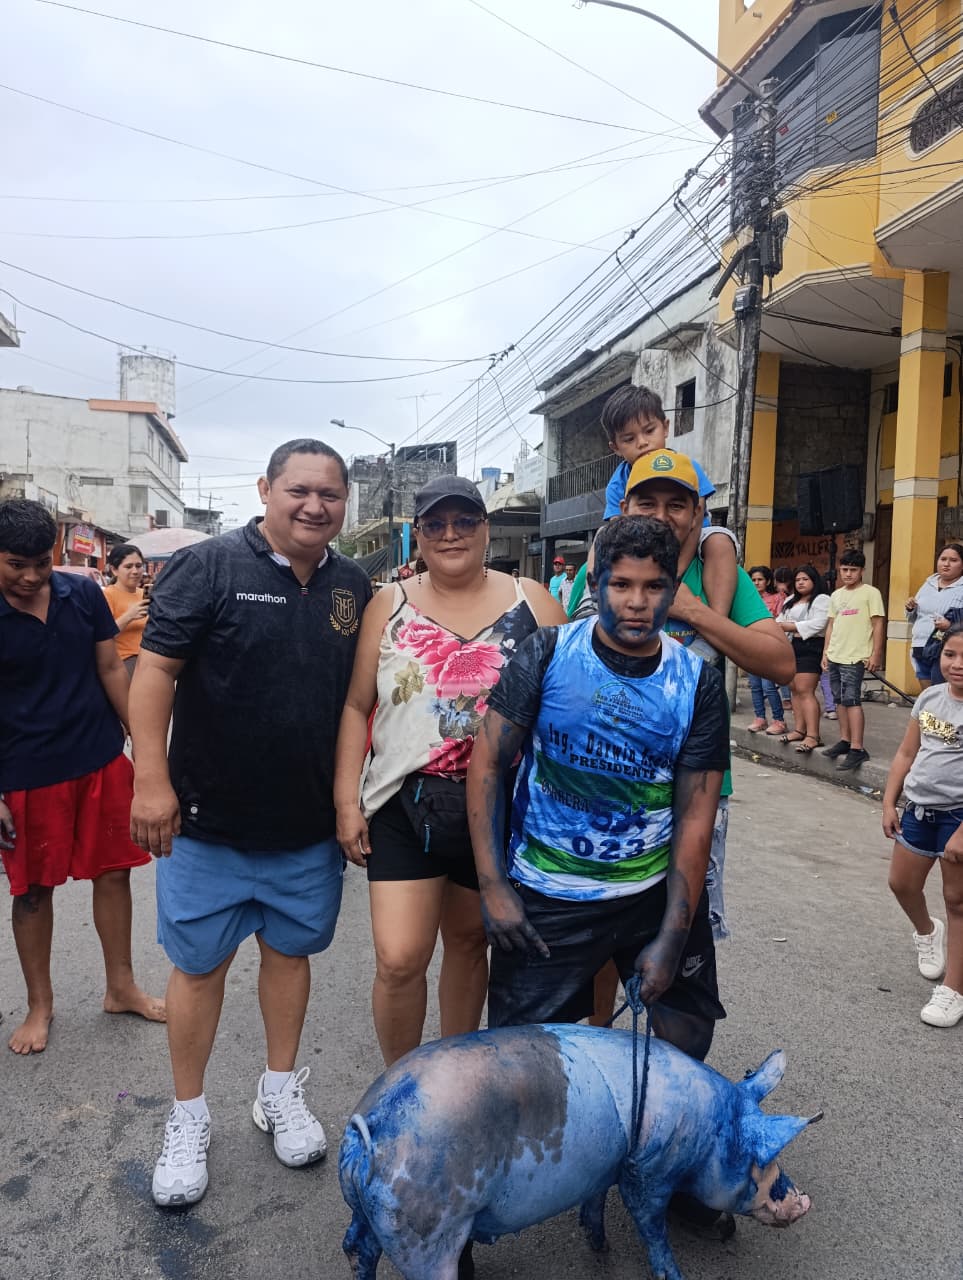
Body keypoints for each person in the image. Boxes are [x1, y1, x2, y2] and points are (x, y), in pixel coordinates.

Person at [129, 439, 370, 1208]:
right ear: (265, 489)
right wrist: (150, 779)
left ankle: (277, 1092)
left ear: (344, 503)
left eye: (329, 494)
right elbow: (154, 672)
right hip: (206, 824)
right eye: (298, 490)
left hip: (305, 828)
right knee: (199, 968)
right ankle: (188, 1116)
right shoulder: (207, 566)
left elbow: (360, 700)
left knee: (289, 957)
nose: (314, 506)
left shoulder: (352, 584)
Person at [467, 515, 729, 1062]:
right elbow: (487, 764)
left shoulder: (697, 682)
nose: (637, 602)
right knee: (526, 1061)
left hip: (649, 890)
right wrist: (493, 887)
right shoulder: (547, 653)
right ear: (595, 585)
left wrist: (672, 935)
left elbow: (695, 815)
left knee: (687, 1039)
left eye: (654, 586)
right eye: (622, 584)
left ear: (673, 591)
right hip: (549, 891)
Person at [334, 477, 565, 1068]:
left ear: (486, 529)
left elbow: (566, 706)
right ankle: (402, 1084)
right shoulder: (389, 604)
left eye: (465, 521)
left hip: (498, 809)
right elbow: (358, 706)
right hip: (402, 805)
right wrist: (346, 802)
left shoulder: (533, 602)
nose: (450, 534)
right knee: (399, 959)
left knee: (469, 943)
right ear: (418, 535)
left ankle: (454, 1081)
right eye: (435, 524)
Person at [0, 499, 163, 1056]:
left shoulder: (82, 594)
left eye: (40, 564)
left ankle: (121, 987)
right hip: (25, 772)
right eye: (15, 565)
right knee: (32, 891)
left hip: (97, 757)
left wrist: (144, 750)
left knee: (114, 874)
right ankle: (39, 1005)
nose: (30, 577)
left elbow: (111, 667)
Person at [619, 451, 794, 945]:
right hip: (611, 780)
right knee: (605, 940)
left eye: (676, 504)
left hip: (697, 784)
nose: (661, 515)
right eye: (647, 503)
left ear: (698, 513)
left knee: (684, 937)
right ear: (625, 509)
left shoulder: (718, 575)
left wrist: (695, 612)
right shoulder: (605, 571)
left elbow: (780, 662)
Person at [883, 624, 963, 1028]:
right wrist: (889, 800)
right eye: (951, 654)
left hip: (958, 816)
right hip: (918, 810)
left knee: (957, 901)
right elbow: (906, 752)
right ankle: (928, 932)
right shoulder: (930, 697)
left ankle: (954, 990)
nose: (958, 664)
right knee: (901, 884)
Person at [600, 383, 737, 617]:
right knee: (601, 536)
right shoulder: (618, 483)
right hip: (643, 543)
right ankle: (591, 603)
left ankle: (717, 617)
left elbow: (697, 521)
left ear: (665, 428)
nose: (642, 442)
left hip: (693, 537)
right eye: (629, 438)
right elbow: (618, 532)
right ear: (615, 447)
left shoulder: (687, 468)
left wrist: (674, 576)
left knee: (719, 540)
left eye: (649, 431)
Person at [820, 550, 885, 772]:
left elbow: (877, 624)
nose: (848, 574)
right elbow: (831, 625)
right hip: (835, 655)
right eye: (845, 569)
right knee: (838, 699)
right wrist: (825, 652)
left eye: (853, 570)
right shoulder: (836, 595)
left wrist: (876, 654)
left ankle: (857, 748)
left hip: (855, 656)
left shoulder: (871, 593)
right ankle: (845, 740)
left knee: (852, 700)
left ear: (862, 571)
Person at [777, 566, 830, 754]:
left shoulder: (822, 599)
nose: (800, 583)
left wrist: (789, 626)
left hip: (811, 646)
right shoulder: (790, 600)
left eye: (805, 579)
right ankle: (799, 730)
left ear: (814, 581)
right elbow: (779, 621)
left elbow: (819, 624)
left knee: (805, 690)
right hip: (792, 646)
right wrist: (784, 626)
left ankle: (813, 735)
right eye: (798, 579)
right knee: (794, 690)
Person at [905, 544, 963, 687]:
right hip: (920, 646)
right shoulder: (928, 584)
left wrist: (950, 626)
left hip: (945, 648)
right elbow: (913, 618)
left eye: (953, 560)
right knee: (928, 694)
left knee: (943, 691)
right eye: (943, 559)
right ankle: (927, 706)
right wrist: (910, 608)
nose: (946, 564)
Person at [746, 565, 787, 734]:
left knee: (768, 686)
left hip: (769, 647)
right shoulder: (746, 599)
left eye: (760, 579)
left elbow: (780, 621)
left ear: (768, 581)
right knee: (755, 686)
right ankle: (760, 718)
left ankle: (779, 721)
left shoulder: (778, 598)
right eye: (753, 580)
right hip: (750, 647)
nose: (756, 583)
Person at [103, 543, 149, 677]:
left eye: (139, 566)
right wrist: (129, 616)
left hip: (149, 655)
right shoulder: (107, 595)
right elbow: (104, 635)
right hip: (125, 660)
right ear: (114, 570)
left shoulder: (144, 594)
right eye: (128, 567)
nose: (135, 571)